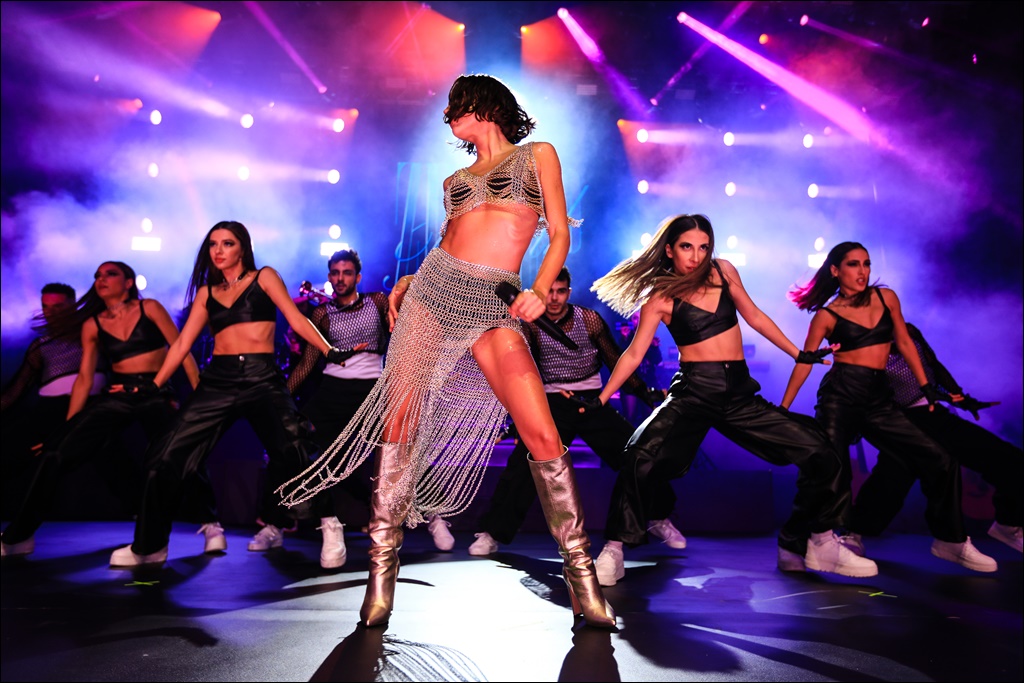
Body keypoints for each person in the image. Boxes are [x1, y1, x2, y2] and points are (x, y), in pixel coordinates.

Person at [278, 73, 615, 629]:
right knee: (400, 427)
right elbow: (448, 243)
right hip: (434, 295)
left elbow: (559, 233)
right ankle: (379, 579)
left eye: (457, 107)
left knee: (542, 433)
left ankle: (583, 581)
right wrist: (411, 278)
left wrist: (539, 288)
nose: (448, 117)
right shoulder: (455, 180)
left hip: (494, 301)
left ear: (484, 106)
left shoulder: (537, 156)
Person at [585, 214, 879, 586]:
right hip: (694, 392)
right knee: (638, 455)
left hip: (739, 395)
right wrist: (603, 397)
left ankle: (819, 540)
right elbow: (632, 355)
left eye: (703, 247)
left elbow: (754, 316)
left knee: (821, 449)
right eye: (687, 247)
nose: (696, 256)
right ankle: (614, 549)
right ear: (670, 250)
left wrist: (797, 353)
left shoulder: (723, 272)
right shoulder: (660, 295)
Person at [107, 221, 347, 567]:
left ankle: (329, 523)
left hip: (261, 377)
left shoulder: (264, 277)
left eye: (227, 243)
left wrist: (329, 351)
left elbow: (296, 319)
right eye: (213, 244)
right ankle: (149, 546)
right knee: (165, 453)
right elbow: (181, 345)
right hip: (218, 380)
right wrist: (154, 384)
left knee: (294, 446)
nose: (218, 251)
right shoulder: (207, 293)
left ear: (242, 248)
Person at [782, 241, 998, 572]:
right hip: (841, 395)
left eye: (866, 264)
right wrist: (784, 407)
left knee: (938, 458)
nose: (863, 271)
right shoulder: (827, 315)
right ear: (835, 270)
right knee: (829, 471)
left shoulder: (886, 298)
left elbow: (905, 342)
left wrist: (926, 387)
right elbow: (804, 362)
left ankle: (951, 540)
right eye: (853, 264)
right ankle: (798, 542)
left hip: (878, 397)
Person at [1, 262, 224, 557]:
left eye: (110, 274)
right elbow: (84, 378)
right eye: (97, 275)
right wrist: (69, 428)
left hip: (155, 392)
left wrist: (197, 395)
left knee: (179, 452)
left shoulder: (150, 308)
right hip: (119, 394)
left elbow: (181, 350)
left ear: (129, 282)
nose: (101, 279)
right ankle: (20, 535)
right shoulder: (93, 324)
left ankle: (211, 525)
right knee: (55, 452)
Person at [467, 266, 682, 556]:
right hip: (551, 403)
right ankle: (493, 532)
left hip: (591, 401)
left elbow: (614, 359)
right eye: (549, 291)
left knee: (637, 456)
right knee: (523, 465)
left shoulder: (589, 320)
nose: (554, 298)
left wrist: (645, 392)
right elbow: (520, 371)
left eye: (560, 291)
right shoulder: (530, 325)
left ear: (569, 292)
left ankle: (657, 517)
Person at [842, 322, 1022, 554]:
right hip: (899, 419)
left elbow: (933, 365)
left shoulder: (908, 330)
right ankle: (854, 533)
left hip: (934, 414)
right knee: (894, 473)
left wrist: (959, 396)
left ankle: (1009, 524)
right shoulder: (861, 341)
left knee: (1008, 459)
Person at [1, 283, 107, 517]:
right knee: (14, 447)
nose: (51, 312)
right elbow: (18, 388)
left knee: (108, 453)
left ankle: (140, 511)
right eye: (46, 307)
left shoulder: (95, 333)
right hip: (49, 409)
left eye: (58, 306)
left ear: (73, 305)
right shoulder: (42, 345)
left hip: (92, 406)